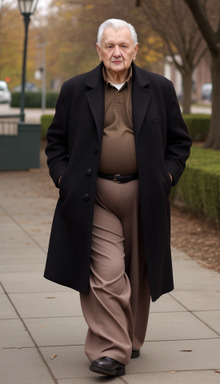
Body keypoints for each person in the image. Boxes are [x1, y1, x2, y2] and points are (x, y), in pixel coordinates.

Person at [44, 18, 192, 377]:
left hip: (145, 195)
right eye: (109, 45)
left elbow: (179, 143)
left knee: (139, 272)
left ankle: (131, 338)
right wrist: (64, 179)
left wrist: (167, 177)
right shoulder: (76, 90)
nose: (116, 52)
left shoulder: (159, 88)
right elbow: (56, 143)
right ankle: (111, 349)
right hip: (94, 197)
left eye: (123, 45)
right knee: (107, 272)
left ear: (135, 50)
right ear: (98, 50)